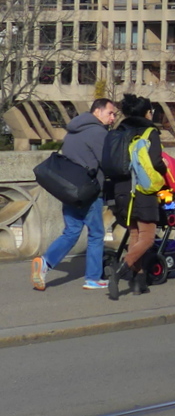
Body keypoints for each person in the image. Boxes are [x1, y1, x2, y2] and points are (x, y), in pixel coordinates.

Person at [31, 98, 120, 292]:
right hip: (89, 190)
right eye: (110, 113)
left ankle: (45, 262)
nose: (113, 118)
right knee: (96, 233)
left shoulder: (73, 130)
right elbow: (107, 162)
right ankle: (93, 278)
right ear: (97, 111)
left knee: (71, 231)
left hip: (69, 189)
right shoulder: (98, 132)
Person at [109, 94, 169, 301]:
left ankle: (138, 281)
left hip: (122, 189)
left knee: (134, 234)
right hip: (142, 190)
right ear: (146, 112)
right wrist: (165, 169)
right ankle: (120, 271)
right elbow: (155, 161)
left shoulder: (119, 130)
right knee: (147, 237)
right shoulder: (150, 131)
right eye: (150, 111)